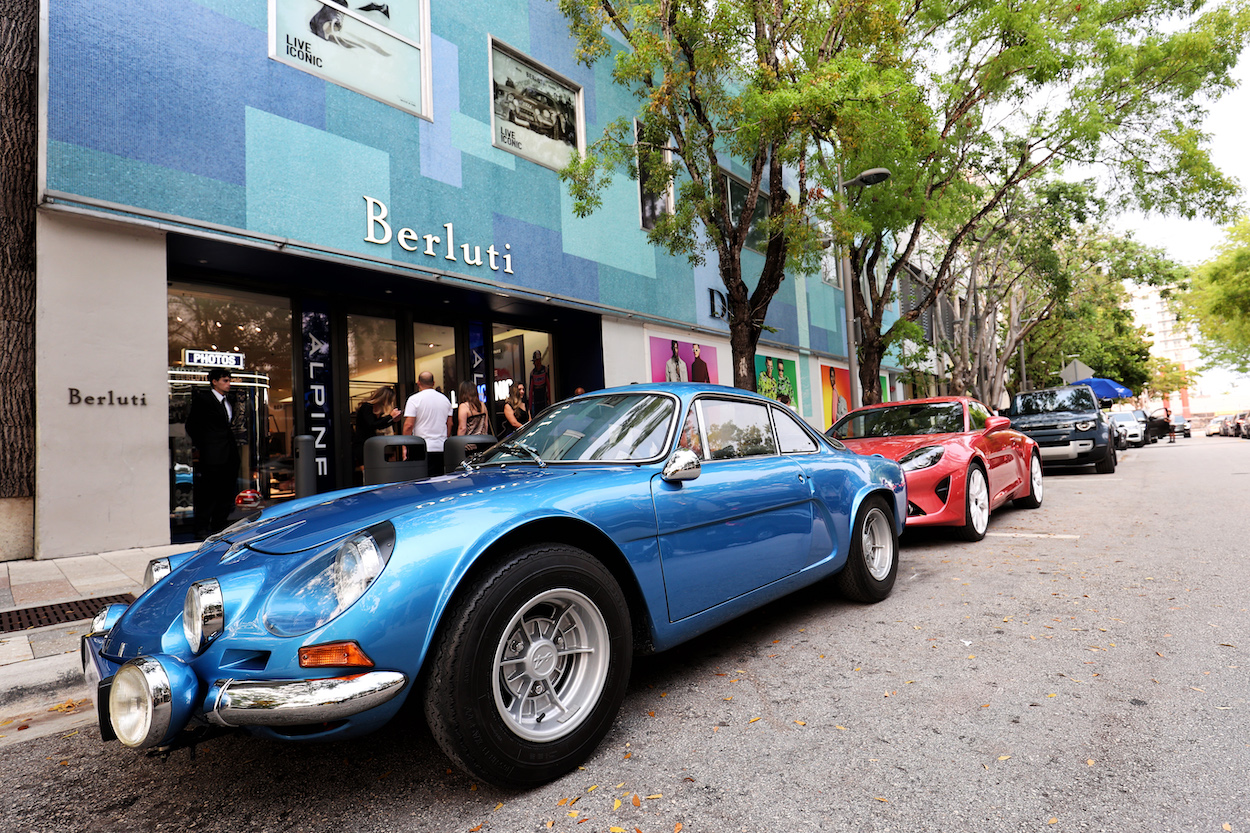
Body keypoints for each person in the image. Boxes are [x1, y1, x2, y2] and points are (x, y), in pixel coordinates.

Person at [185, 367, 241, 537]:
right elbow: (192, 425)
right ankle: (201, 527)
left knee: (226, 492)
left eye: (229, 380)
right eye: (225, 380)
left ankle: (220, 525)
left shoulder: (229, 400)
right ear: (214, 382)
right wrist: (204, 446)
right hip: (211, 455)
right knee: (208, 493)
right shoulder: (204, 399)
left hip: (229, 454)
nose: (228, 384)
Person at [403, 371, 454, 476]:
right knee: (439, 480)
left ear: (418, 383)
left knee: (420, 482)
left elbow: (408, 425)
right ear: (433, 383)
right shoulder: (445, 400)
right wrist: (444, 438)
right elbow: (450, 424)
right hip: (441, 447)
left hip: (420, 448)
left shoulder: (414, 400)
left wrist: (405, 446)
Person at [353, 386, 401, 483]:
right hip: (362, 445)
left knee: (371, 471)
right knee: (366, 473)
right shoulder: (366, 407)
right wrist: (390, 417)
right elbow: (373, 425)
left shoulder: (373, 409)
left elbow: (378, 425)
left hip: (369, 444)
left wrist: (392, 420)